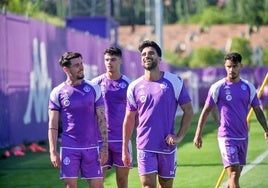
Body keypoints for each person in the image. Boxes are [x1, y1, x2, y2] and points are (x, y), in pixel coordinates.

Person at [122, 40, 194, 188]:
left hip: (167, 145)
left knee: (166, 186)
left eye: (151, 53)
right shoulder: (134, 87)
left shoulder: (174, 81)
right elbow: (129, 119)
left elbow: (188, 110)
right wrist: (124, 149)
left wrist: (179, 136)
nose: (146, 56)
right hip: (144, 145)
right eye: (143, 54)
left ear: (159, 59)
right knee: (147, 185)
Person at [193, 52, 268, 188]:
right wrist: (198, 134)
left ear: (241, 66)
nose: (231, 70)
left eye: (234, 66)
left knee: (235, 175)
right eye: (228, 66)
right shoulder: (218, 87)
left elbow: (258, 110)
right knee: (233, 173)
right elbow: (206, 111)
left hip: (243, 136)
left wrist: (266, 130)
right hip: (226, 136)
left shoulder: (248, 87)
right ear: (225, 67)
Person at [48, 52, 108, 188]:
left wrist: (104, 147)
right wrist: (53, 151)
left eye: (81, 64)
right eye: (76, 65)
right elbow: (52, 125)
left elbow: (102, 120)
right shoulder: (57, 92)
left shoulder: (94, 88)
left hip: (92, 147)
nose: (81, 67)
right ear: (66, 69)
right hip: (69, 147)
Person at [91, 46, 132, 188]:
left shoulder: (129, 84)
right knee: (97, 181)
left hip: (121, 140)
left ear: (120, 61)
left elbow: (135, 113)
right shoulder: (95, 84)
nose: (109, 62)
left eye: (113, 59)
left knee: (122, 181)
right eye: (107, 59)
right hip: (100, 140)